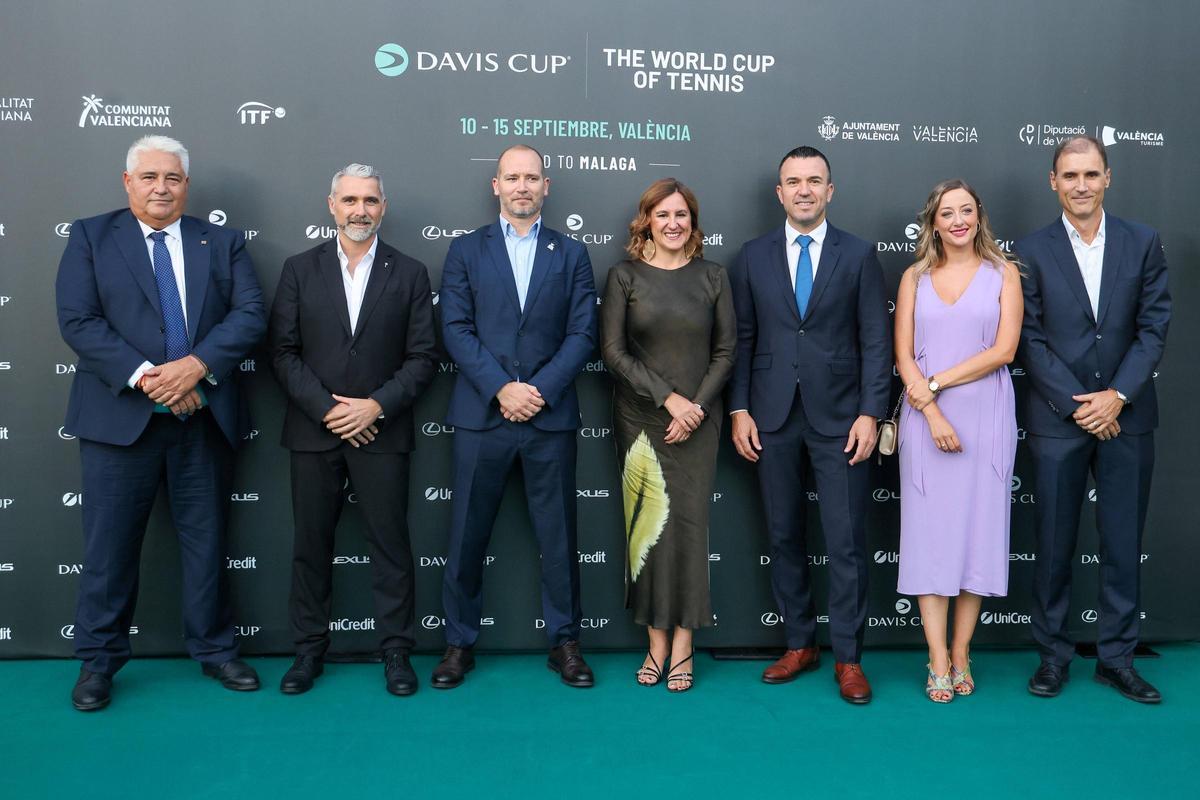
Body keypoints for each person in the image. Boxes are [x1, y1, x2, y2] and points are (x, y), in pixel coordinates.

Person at [55, 135, 267, 711]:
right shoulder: (91, 237)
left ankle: (217, 651)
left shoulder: (219, 241)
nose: (161, 188)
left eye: (172, 178)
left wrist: (196, 367)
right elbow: (78, 320)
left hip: (201, 421)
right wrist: (153, 377)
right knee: (109, 550)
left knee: (206, 546)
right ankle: (98, 663)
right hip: (119, 424)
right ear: (128, 183)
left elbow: (250, 314)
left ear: (186, 186)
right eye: (149, 177)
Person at [728, 145, 890, 703]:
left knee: (845, 542)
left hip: (842, 418)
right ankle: (800, 642)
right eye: (793, 181)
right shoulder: (750, 256)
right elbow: (742, 340)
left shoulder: (860, 254)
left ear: (829, 190)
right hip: (770, 417)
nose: (803, 190)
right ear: (780, 192)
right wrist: (739, 408)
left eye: (814, 181)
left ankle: (848, 657)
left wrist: (872, 412)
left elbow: (875, 339)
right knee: (783, 534)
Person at [268, 164, 437, 696]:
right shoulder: (299, 269)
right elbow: (283, 351)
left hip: (382, 432)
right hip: (314, 432)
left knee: (391, 546)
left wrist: (375, 407)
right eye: (349, 200)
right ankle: (307, 652)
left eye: (369, 200)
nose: (359, 210)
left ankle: (396, 651)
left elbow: (423, 356)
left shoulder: (409, 272)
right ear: (331, 205)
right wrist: (329, 410)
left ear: (382, 207)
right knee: (310, 546)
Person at [435, 144, 598, 688]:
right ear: (496, 186)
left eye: (532, 178)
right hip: (484, 414)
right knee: (465, 536)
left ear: (546, 186)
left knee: (558, 536)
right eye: (512, 177)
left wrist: (539, 391)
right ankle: (458, 644)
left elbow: (582, 335)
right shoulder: (464, 251)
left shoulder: (571, 254)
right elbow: (455, 329)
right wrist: (503, 388)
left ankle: (566, 643)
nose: (522, 186)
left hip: (548, 419)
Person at [1017, 136, 1170, 704]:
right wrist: (1085, 403)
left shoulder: (1143, 242)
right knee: (1054, 542)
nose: (1080, 184)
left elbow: (1154, 327)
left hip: (1128, 418)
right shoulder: (1029, 250)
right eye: (1069, 175)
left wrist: (1118, 397)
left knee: (1123, 543)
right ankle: (1053, 657)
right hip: (1061, 420)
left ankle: (1117, 660)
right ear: (1052, 182)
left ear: (1109, 177)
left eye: (1090, 174)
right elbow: (1028, 340)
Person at [600, 179, 735, 692]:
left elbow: (726, 352)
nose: (673, 223)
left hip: (699, 422)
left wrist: (695, 407)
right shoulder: (624, 277)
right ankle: (654, 643)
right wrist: (668, 399)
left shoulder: (714, 277)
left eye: (682, 215)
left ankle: (684, 645)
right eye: (663, 215)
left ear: (693, 222)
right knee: (647, 533)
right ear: (647, 221)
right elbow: (613, 352)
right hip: (642, 420)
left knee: (689, 530)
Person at [893, 179, 1021, 702]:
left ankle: (963, 651)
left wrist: (938, 384)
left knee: (976, 537)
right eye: (948, 213)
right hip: (925, 420)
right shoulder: (914, 277)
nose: (958, 220)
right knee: (930, 538)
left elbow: (1004, 350)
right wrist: (929, 408)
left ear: (979, 216)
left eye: (966, 210)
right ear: (934, 222)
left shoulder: (1003, 273)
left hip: (986, 415)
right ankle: (937, 656)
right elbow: (903, 355)